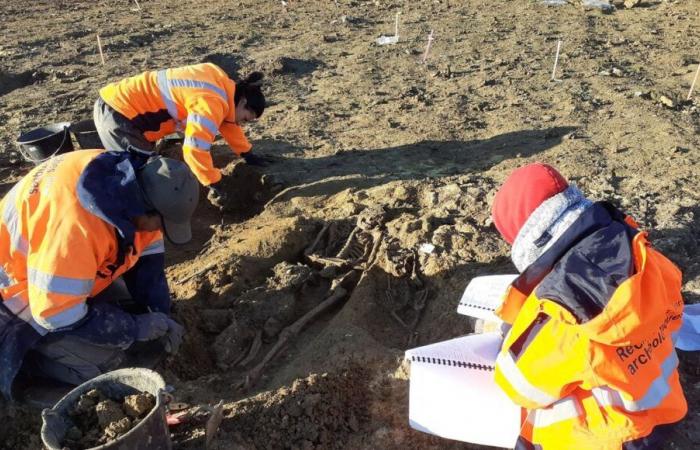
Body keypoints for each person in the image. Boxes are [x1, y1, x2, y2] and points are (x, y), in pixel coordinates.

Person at [490, 163, 686, 449]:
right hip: (666, 412)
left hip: (609, 439)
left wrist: (511, 333)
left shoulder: (562, 309)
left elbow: (519, 385)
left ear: (528, 242)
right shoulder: (644, 254)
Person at [0, 149, 199, 400]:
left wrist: (159, 309)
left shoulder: (124, 180)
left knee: (123, 305)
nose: (160, 231)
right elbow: (55, 312)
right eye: (161, 223)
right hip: (16, 290)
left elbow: (149, 257)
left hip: (53, 265)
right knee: (108, 367)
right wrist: (133, 327)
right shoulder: (75, 231)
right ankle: (31, 367)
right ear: (146, 210)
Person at [93, 63, 266, 209]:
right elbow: (194, 149)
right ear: (243, 102)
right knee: (137, 179)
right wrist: (214, 182)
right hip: (121, 116)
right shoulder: (211, 102)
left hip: (120, 103)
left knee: (144, 169)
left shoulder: (219, 82)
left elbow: (227, 122)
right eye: (244, 119)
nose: (240, 124)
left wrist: (247, 153)